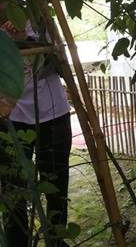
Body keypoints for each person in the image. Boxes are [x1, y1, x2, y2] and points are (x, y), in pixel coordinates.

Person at [0, 20, 71, 247]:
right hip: (9, 116)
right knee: (13, 190)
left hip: (53, 113)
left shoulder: (39, 18)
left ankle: (56, 241)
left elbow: (62, 62)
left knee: (56, 186)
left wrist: (26, 39)